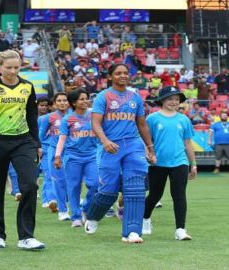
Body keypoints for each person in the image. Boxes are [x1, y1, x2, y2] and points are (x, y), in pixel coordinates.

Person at [0, 50, 45, 250]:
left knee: (30, 185)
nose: (13, 71)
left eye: (17, 67)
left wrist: (37, 143)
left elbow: (32, 117)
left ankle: (26, 237)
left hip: (23, 141)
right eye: (9, 67)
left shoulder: (27, 86)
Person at [84, 64, 156, 243]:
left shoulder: (135, 98)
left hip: (133, 145)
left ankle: (132, 232)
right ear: (110, 76)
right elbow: (95, 123)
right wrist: (105, 141)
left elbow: (142, 124)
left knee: (136, 189)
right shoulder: (103, 97)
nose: (123, 76)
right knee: (108, 191)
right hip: (111, 147)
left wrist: (150, 148)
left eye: (125, 73)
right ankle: (92, 216)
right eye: (118, 73)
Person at [143, 86, 196, 240]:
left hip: (180, 163)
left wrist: (193, 164)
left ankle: (180, 230)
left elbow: (188, 143)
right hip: (157, 164)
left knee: (179, 195)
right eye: (170, 99)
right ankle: (145, 220)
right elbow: (146, 141)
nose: (174, 102)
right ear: (162, 100)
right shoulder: (152, 119)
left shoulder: (184, 119)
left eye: (177, 99)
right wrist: (149, 155)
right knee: (154, 195)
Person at [54, 89, 98, 228]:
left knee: (96, 184)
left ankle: (85, 207)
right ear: (74, 102)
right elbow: (62, 139)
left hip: (92, 155)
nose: (85, 101)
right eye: (81, 99)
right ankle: (76, 217)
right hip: (73, 157)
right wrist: (57, 156)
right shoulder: (68, 119)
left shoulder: (93, 115)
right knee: (73, 188)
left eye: (86, 98)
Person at [38, 93, 70, 221]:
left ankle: (71, 203)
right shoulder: (48, 118)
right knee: (55, 178)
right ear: (55, 104)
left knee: (72, 180)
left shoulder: (75, 116)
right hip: (53, 151)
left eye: (65, 100)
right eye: (59, 101)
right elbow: (40, 135)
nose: (62, 103)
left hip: (72, 151)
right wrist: (39, 148)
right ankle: (60, 207)